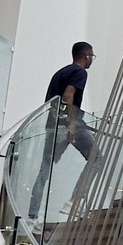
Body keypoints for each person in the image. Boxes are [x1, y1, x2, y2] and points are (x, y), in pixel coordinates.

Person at [30, 41, 95, 219]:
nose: (92, 60)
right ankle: (75, 201)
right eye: (92, 56)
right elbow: (68, 95)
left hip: (53, 124)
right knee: (97, 158)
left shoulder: (61, 72)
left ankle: (32, 216)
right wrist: (71, 123)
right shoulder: (79, 72)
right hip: (68, 124)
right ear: (85, 56)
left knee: (45, 169)